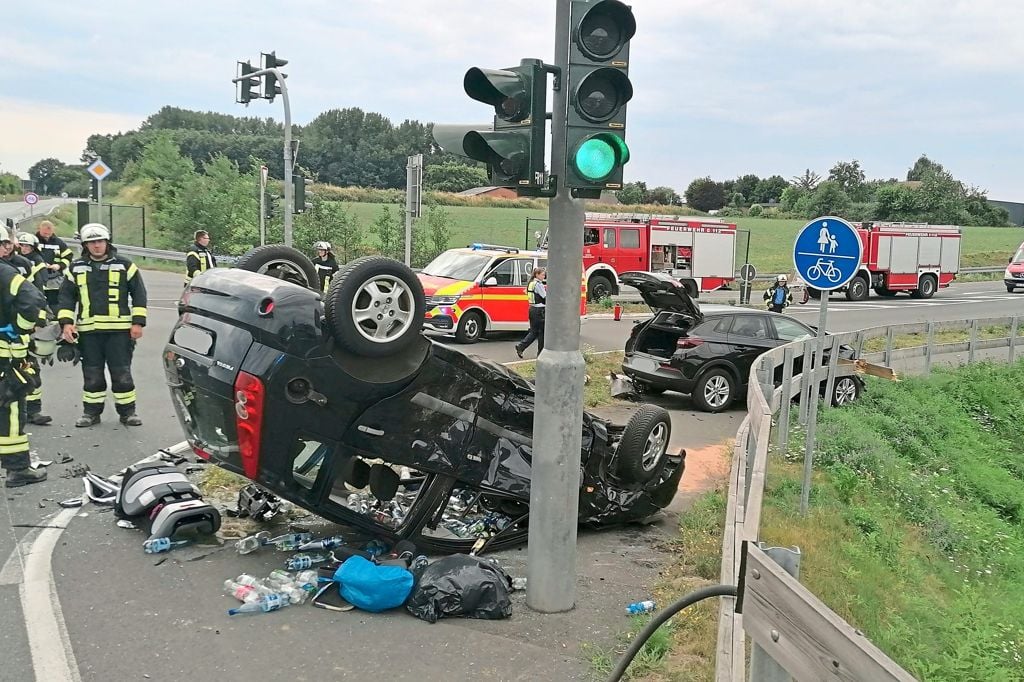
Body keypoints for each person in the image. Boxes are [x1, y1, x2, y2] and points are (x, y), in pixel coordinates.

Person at [57, 223, 148, 428]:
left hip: (119, 332)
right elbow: (66, 298)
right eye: (91, 242)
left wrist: (138, 323)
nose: (96, 246)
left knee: (122, 374)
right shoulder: (76, 267)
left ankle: (128, 413)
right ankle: (91, 413)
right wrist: (66, 324)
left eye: (100, 241)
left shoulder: (125, 265)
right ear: (85, 245)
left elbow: (140, 295)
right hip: (89, 333)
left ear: (107, 242)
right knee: (92, 375)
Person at [0, 226, 50, 487]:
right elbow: (32, 298)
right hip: (5, 356)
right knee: (11, 409)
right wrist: (21, 327)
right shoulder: (5, 272)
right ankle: (18, 470)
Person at [3, 234, 51, 425]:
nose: (7, 248)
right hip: (6, 330)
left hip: (23, 330)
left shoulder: (23, 264)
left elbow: (37, 293)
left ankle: (33, 410)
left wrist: (35, 322)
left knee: (29, 369)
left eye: (8, 244)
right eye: (3, 244)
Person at [35, 220, 72, 309]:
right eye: (45, 233)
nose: (47, 235)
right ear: (40, 229)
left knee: (54, 302)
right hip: (38, 276)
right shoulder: (34, 241)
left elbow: (68, 256)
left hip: (55, 278)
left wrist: (59, 266)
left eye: (49, 233)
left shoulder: (58, 243)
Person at [515, 267, 546, 359]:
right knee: (542, 333)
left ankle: (521, 346)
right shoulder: (538, 285)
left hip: (532, 309)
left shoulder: (531, 283)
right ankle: (541, 354)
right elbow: (544, 297)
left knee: (534, 331)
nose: (544, 276)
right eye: (542, 274)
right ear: (537, 275)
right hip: (540, 311)